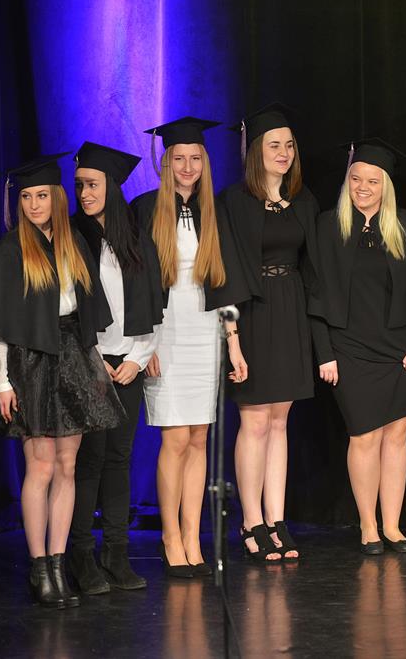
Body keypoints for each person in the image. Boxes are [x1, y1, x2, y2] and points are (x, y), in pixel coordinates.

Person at [0, 155, 123, 609]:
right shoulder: (11, 250)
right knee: (41, 466)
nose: (33, 204)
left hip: (73, 356)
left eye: (42, 195)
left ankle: (59, 562)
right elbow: (2, 326)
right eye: (26, 197)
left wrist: (95, 361)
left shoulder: (73, 243)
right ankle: (39, 567)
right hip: (31, 361)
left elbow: (85, 312)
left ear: (57, 198)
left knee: (67, 466)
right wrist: (2, 382)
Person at [131, 117, 248, 576]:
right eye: (178, 158)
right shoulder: (144, 209)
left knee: (199, 436)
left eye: (195, 158)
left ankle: (193, 533)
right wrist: (144, 345)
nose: (187, 166)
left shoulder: (214, 211)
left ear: (204, 162)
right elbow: (134, 285)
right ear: (165, 163)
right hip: (164, 330)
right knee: (175, 437)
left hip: (204, 331)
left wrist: (233, 344)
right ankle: (170, 536)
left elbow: (226, 284)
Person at [310, 139, 406, 554]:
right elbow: (315, 293)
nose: (362, 187)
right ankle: (368, 526)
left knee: (397, 437)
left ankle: (393, 526)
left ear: (386, 186)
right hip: (349, 348)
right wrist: (325, 353)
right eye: (356, 179)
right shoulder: (329, 226)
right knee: (364, 436)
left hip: (399, 348)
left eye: (372, 181)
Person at [222, 103, 320, 562]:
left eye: (289, 146)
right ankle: (251, 520)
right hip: (252, 313)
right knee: (255, 421)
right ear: (255, 151)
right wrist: (233, 338)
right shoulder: (234, 201)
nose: (283, 153)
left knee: (280, 420)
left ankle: (276, 519)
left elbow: (312, 266)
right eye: (274, 145)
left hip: (291, 309)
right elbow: (225, 272)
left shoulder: (304, 200)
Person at [68, 143, 163, 593]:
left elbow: (154, 305)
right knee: (89, 462)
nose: (84, 194)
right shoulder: (72, 238)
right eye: (79, 186)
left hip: (128, 365)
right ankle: (81, 556)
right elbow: (66, 310)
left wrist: (137, 360)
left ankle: (117, 554)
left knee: (119, 460)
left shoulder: (136, 239)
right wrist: (94, 362)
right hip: (88, 363)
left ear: (111, 186)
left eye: (92, 185)